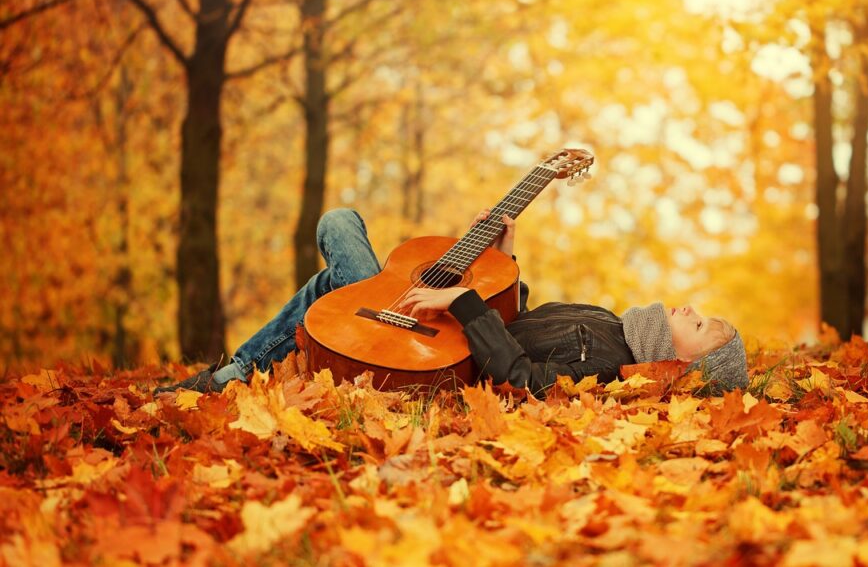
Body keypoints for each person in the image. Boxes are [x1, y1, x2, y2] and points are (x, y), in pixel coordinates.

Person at [154, 208, 749, 397]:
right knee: (331, 286)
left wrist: (463, 301)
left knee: (339, 228)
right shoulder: (610, 323)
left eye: (701, 326)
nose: (691, 307)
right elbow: (517, 323)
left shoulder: (605, 367)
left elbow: (517, 373)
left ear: (682, 366)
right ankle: (233, 374)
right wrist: (507, 264)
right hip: (436, 327)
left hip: (426, 348)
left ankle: (233, 373)